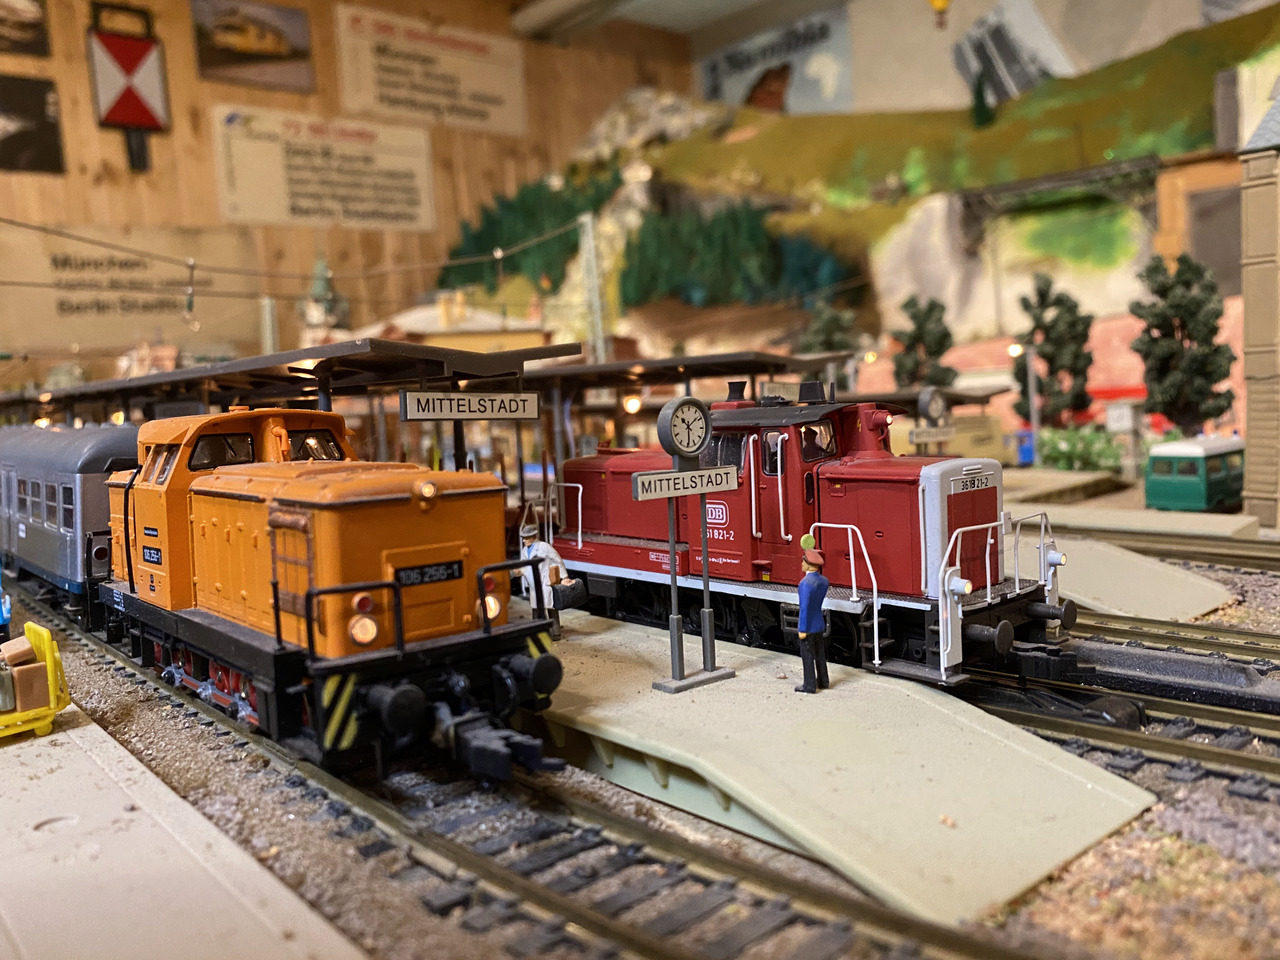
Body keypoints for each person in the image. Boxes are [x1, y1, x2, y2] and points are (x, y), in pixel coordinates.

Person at [518, 524, 577, 633]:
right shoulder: (525, 551)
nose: (524, 541)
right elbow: (524, 565)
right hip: (534, 584)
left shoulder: (544, 547)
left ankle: (555, 632)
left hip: (545, 582)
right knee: (536, 609)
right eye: (523, 538)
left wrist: (564, 577)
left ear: (533, 537)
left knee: (551, 608)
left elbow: (557, 561)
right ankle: (537, 632)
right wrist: (519, 572)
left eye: (526, 538)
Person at [795, 547, 830, 693]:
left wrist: (802, 629)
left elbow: (804, 608)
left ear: (809, 564)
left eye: (803, 562)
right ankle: (823, 681)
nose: (801, 564)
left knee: (807, 655)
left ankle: (809, 685)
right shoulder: (824, 581)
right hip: (819, 623)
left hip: (808, 626)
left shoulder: (805, 584)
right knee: (820, 654)